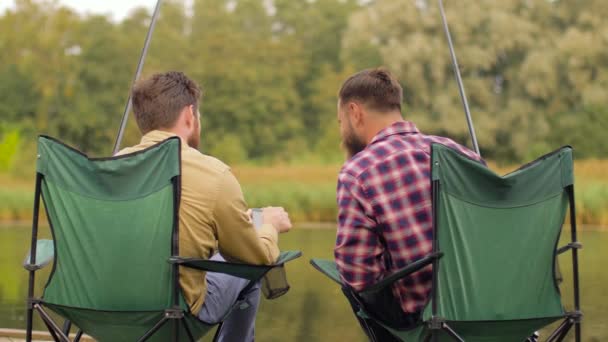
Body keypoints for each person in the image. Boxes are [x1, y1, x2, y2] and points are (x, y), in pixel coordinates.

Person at [118, 71, 292, 342]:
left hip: (100, 310)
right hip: (175, 314)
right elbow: (255, 258)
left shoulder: (110, 168)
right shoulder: (213, 174)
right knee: (249, 271)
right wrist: (267, 225)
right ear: (189, 115)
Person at [334, 68, 483, 341]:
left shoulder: (358, 172)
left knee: (349, 282)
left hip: (428, 324)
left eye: (341, 120)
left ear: (355, 113)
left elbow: (359, 274)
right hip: (495, 313)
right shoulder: (464, 155)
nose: (342, 129)